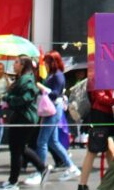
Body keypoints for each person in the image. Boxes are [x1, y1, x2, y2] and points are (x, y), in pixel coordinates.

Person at [0, 55, 50, 190]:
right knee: (19, 148)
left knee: (16, 149)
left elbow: (26, 98)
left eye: (16, 62)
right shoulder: (23, 78)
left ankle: (13, 181)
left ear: (22, 65)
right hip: (21, 117)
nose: (14, 65)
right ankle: (41, 168)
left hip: (25, 118)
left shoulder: (27, 79)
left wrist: (9, 98)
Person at [32, 51, 80, 183]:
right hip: (51, 109)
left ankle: (40, 170)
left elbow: (55, 94)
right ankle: (71, 166)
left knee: (42, 141)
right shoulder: (53, 75)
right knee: (53, 142)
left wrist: (41, 87)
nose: (45, 65)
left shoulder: (58, 76)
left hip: (53, 109)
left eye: (47, 62)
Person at [75, 90, 114, 190]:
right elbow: (100, 98)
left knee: (110, 151)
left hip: (105, 114)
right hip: (100, 115)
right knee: (92, 151)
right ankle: (82, 186)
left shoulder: (101, 75)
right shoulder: (97, 76)